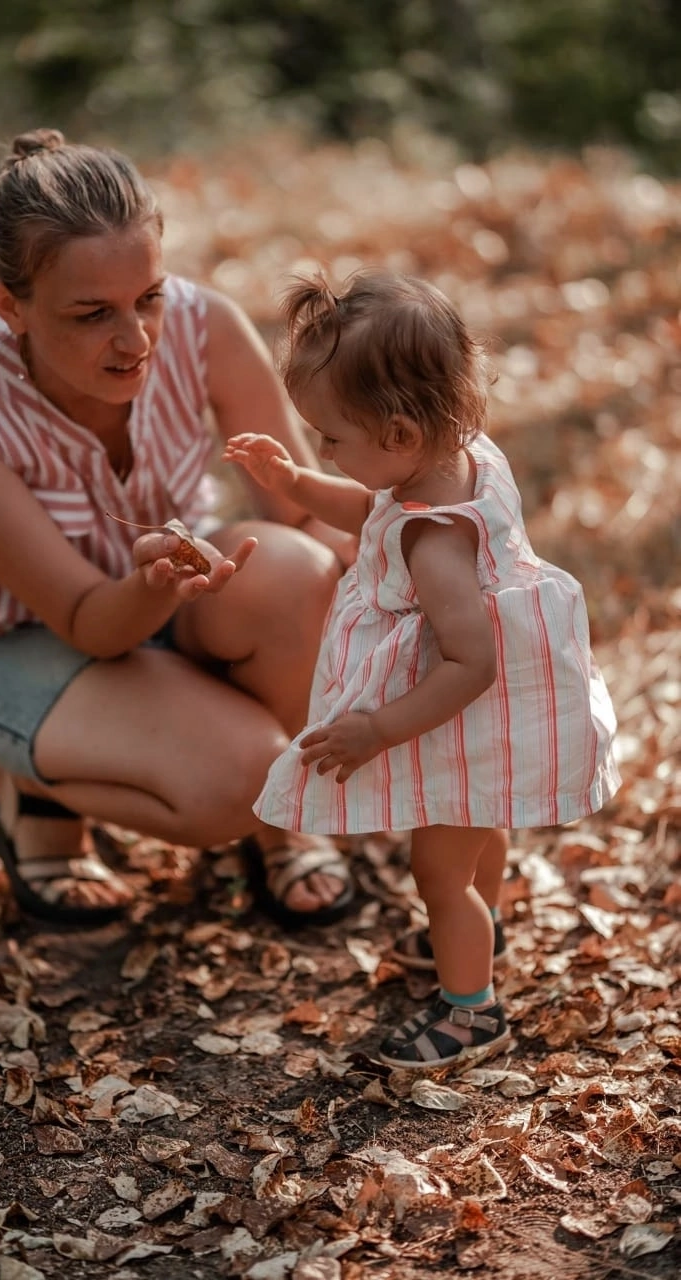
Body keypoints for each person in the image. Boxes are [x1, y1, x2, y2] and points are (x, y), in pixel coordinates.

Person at [0, 128, 359, 930]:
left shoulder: (204, 326)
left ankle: (283, 815)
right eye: (91, 314)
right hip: (19, 645)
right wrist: (152, 580)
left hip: (171, 610)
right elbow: (87, 623)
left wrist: (432, 559)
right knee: (239, 782)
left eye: (147, 297)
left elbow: (302, 512)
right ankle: (29, 793)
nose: (137, 338)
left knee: (294, 571)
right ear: (8, 305)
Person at [223, 270, 621, 1070]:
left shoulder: (434, 543)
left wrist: (377, 729)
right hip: (501, 709)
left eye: (329, 439)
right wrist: (296, 483)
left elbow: (468, 664)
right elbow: (372, 507)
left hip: (461, 706)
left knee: (437, 872)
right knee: (479, 830)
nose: (322, 450)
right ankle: (482, 925)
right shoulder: (459, 455)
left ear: (400, 436)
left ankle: (470, 1012)